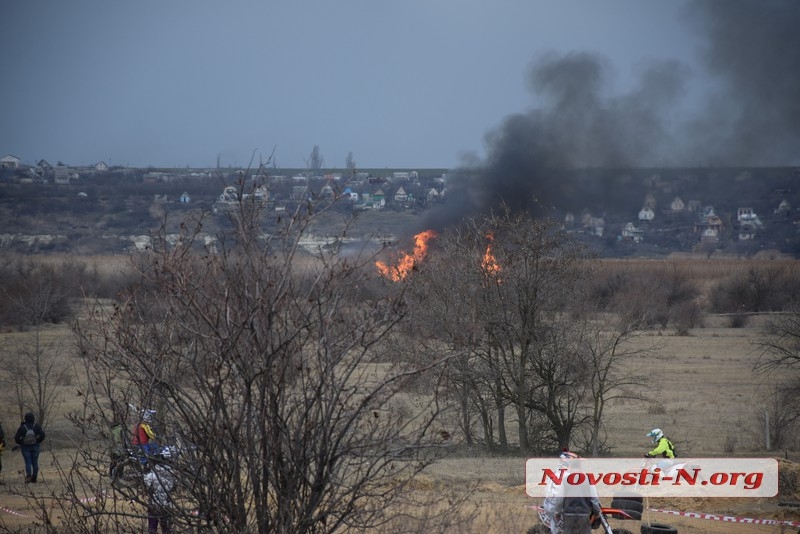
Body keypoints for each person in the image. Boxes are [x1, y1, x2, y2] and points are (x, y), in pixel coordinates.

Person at [552, 457, 602, 534]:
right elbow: (594, 499)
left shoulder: (564, 481)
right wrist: (597, 512)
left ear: (570, 467)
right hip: (584, 515)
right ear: (581, 468)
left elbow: (559, 500)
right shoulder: (589, 480)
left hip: (568, 515)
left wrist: (557, 513)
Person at [144, 448, 177, 534]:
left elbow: (146, 481)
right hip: (167, 504)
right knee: (167, 529)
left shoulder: (154, 472)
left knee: (152, 529)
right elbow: (174, 487)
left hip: (154, 503)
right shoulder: (173, 474)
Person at [14, 412, 45, 483]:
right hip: (35, 446)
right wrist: (37, 441)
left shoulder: (22, 427)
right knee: (35, 463)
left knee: (28, 462)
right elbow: (43, 435)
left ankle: (28, 477)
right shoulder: (36, 426)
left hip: (25, 447)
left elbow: (16, 438)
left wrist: (22, 442)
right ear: (33, 418)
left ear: (25, 418)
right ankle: (34, 478)